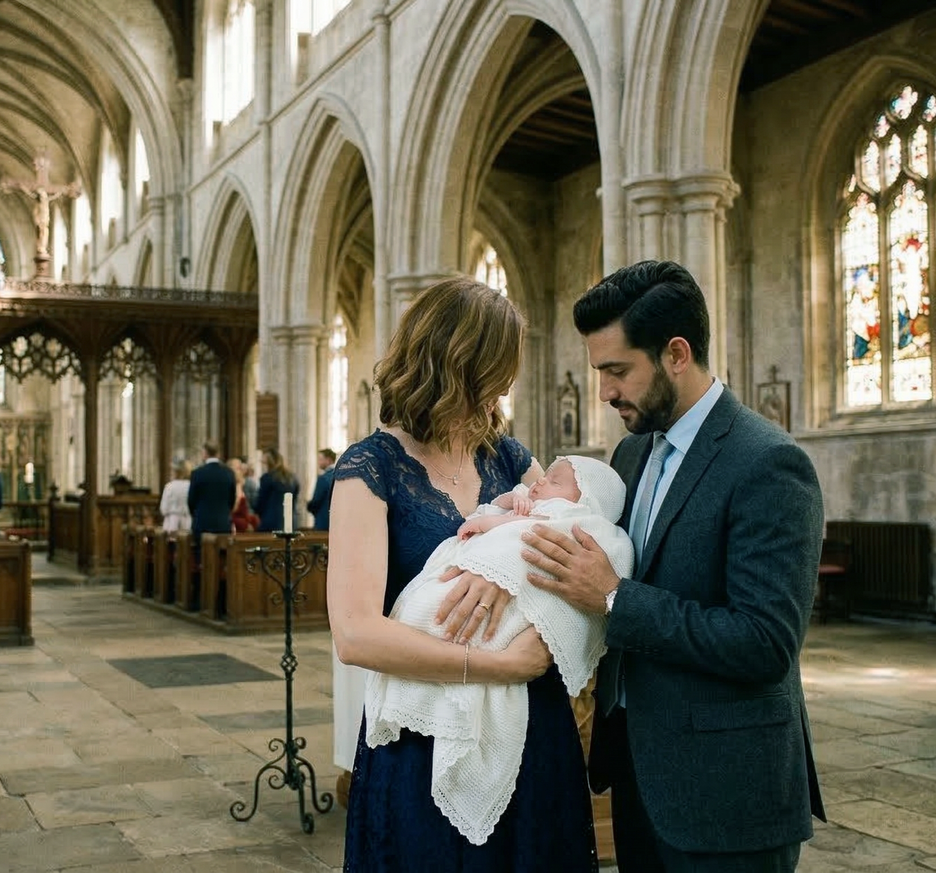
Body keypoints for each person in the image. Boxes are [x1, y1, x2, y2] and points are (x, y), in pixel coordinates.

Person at [518, 260, 826, 872]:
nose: (605, 391)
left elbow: (764, 643)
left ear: (677, 354)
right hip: (638, 774)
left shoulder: (768, 464)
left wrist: (612, 598)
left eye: (617, 370)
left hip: (725, 791)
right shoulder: (631, 454)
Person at [328, 276, 595, 871]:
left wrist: (504, 570)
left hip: (531, 729)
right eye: (496, 371)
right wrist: (498, 665)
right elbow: (354, 634)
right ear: (453, 366)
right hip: (423, 740)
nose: (505, 387)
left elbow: (572, 536)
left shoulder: (507, 456)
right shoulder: (370, 468)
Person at [365, 455, 634, 845]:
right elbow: (502, 513)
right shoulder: (376, 461)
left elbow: (545, 547)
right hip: (435, 667)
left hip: (527, 693)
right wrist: (502, 525)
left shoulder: (563, 512)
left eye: (555, 481)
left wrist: (504, 568)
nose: (541, 484)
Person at [188, 443, 236, 539]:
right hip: (223, 523)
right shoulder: (229, 473)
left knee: (201, 552)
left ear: (205, 453)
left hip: (202, 522)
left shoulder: (197, 473)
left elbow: (191, 500)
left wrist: (196, 514)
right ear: (218, 454)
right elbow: (232, 499)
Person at [252, 447, 300, 532]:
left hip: (271, 521)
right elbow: (295, 498)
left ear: (268, 463)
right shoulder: (292, 477)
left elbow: (261, 501)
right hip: (290, 520)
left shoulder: (267, 478)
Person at [307, 448, 338, 531]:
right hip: (336, 521)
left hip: (323, 521)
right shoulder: (339, 476)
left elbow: (316, 501)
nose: (318, 462)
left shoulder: (323, 478)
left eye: (320, 459)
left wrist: (308, 505)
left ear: (328, 460)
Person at [160, 460, 193, 533]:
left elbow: (163, 509)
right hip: (187, 521)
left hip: (171, 523)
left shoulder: (169, 487)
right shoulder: (190, 486)